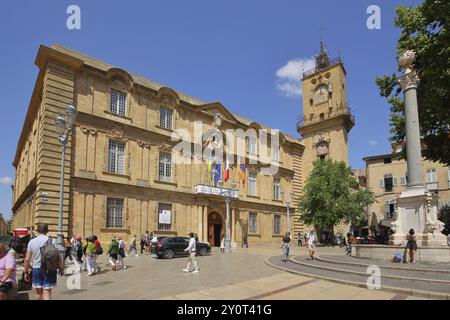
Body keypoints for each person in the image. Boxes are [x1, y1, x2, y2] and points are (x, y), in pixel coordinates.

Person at [23, 223, 63, 300]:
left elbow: (27, 260)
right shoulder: (53, 241)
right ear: (47, 231)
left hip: (36, 269)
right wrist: (61, 268)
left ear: (37, 231)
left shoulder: (32, 242)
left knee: (38, 292)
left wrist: (26, 272)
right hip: (49, 268)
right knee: (47, 292)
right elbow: (58, 257)